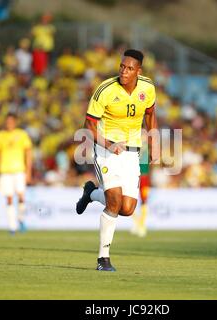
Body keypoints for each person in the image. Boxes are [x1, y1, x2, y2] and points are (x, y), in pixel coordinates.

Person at [75, 49, 158, 271]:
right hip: (105, 150)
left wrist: (154, 141)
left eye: (130, 68)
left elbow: (150, 115)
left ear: (138, 71)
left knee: (128, 208)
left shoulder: (148, 88)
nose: (124, 71)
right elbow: (88, 126)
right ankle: (103, 259)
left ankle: (91, 193)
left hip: (133, 153)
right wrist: (109, 144)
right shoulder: (105, 89)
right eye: (122, 66)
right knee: (114, 202)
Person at [0, 113, 33, 235]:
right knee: (9, 198)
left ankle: (21, 219)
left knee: (21, 196)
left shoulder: (21, 134)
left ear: (15, 122)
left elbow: (28, 153)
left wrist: (28, 171)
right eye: (7, 121)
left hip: (19, 170)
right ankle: (12, 226)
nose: (9, 124)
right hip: (5, 171)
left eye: (11, 121)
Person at [131, 138, 150, 237]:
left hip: (144, 177)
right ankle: (137, 223)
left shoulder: (147, 144)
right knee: (129, 200)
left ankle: (142, 225)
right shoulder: (132, 143)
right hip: (133, 176)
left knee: (144, 200)